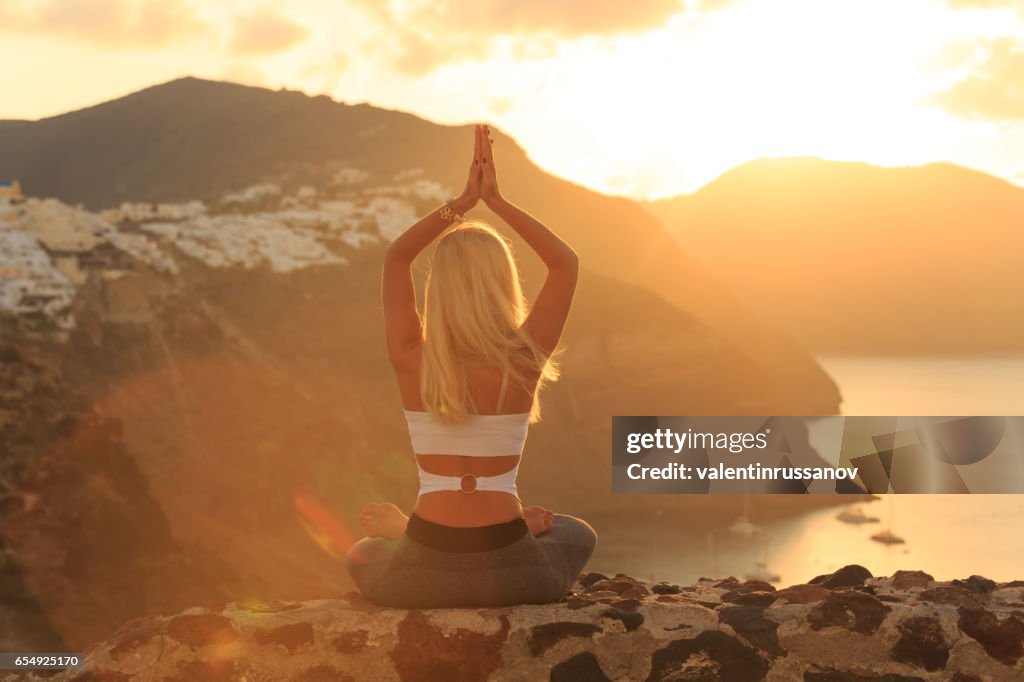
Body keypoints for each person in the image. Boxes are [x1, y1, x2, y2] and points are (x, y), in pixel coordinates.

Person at [345, 124, 597, 608]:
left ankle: (406, 528)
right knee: (574, 532)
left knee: (362, 552)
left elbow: (397, 259)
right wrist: (496, 202)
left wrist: (459, 205)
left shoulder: (410, 357)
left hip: (417, 576)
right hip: (517, 575)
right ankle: (516, 522)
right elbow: (565, 264)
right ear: (504, 285)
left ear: (439, 289)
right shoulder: (524, 361)